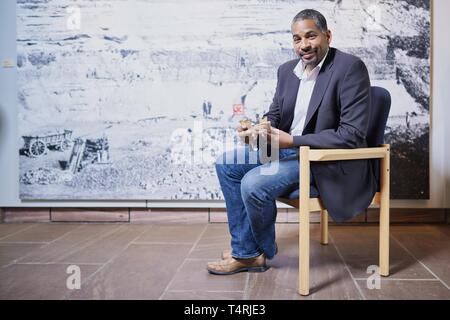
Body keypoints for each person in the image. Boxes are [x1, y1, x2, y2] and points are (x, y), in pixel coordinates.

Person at [207, 9, 377, 275]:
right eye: (297, 39)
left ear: (327, 35)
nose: (304, 45)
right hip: (287, 151)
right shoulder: (287, 71)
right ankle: (247, 250)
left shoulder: (349, 68)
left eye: (311, 36)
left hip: (323, 161)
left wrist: (293, 140)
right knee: (226, 163)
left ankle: (250, 253)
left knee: (254, 182)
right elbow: (274, 114)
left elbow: (352, 134)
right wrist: (258, 129)